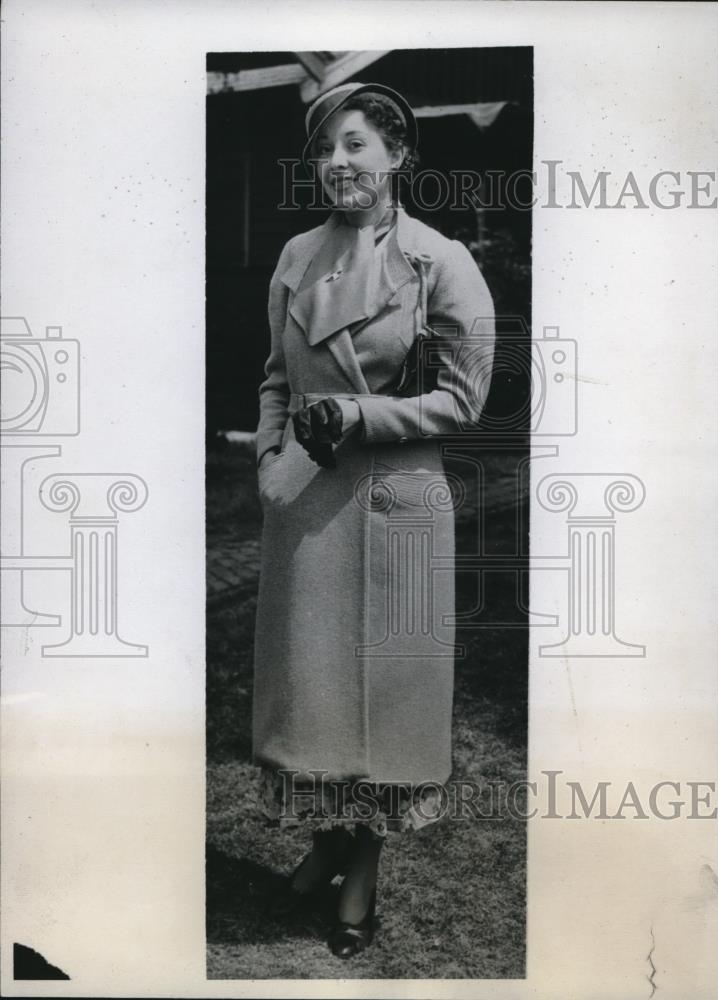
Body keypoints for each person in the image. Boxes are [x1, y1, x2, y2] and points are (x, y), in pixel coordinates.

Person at [252, 81, 495, 958]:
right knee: (316, 695)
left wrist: (360, 418)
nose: (337, 164)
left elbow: (465, 399)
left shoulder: (440, 261)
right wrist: (271, 465)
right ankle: (326, 842)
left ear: (396, 155)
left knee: (386, 706)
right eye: (325, 150)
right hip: (309, 502)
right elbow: (277, 375)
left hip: (396, 504)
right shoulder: (294, 255)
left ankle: (363, 874)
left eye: (355, 145)